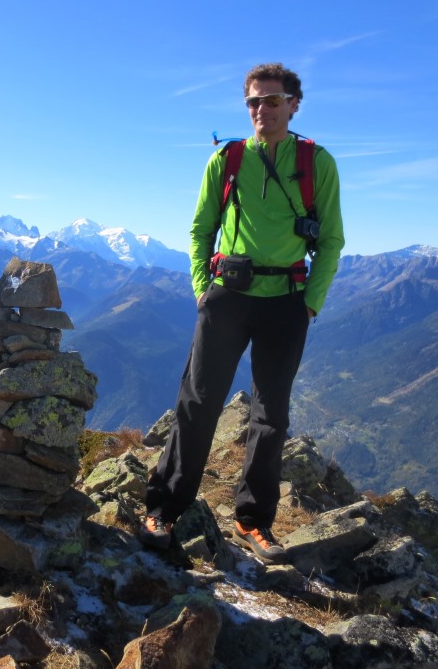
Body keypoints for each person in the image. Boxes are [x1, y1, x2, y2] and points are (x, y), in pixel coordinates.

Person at [141, 63, 345, 563]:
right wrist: (201, 289)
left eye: (272, 101)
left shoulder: (317, 162)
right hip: (227, 296)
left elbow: (333, 239)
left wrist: (311, 302)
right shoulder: (227, 159)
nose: (261, 110)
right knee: (199, 401)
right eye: (253, 101)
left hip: (287, 301)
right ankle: (163, 508)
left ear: (293, 104)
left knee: (270, 414)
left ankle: (253, 521)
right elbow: (199, 230)